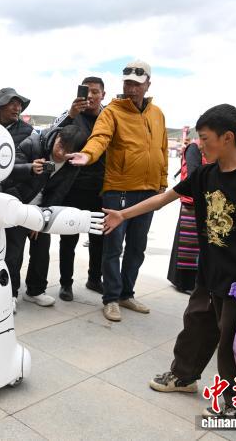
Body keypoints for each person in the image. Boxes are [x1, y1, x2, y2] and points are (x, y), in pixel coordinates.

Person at [103, 104, 236, 419]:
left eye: (205, 138)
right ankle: (184, 376)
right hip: (209, 272)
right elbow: (163, 198)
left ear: (227, 138)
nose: (199, 144)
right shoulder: (205, 174)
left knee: (234, 340)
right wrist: (122, 215)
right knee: (196, 324)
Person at [67, 60, 168, 322]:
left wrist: (162, 182)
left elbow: (162, 148)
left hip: (148, 192)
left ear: (148, 84)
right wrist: (88, 155)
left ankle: (126, 294)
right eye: (127, 83)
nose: (131, 89)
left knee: (137, 248)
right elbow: (100, 137)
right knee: (113, 248)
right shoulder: (112, 111)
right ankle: (111, 298)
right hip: (118, 190)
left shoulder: (157, 114)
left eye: (137, 84)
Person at [3, 125, 87, 309]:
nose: (61, 153)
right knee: (13, 253)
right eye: (60, 146)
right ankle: (9, 294)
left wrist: (42, 219)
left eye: (68, 151)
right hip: (17, 206)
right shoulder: (33, 144)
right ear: (57, 137)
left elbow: (60, 192)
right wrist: (29, 168)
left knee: (42, 250)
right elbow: (7, 172)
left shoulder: (73, 164)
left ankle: (35, 291)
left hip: (41, 210)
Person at [50, 77, 106, 298]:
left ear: (103, 95)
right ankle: (66, 283)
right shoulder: (72, 114)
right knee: (69, 238)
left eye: (95, 92)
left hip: (100, 189)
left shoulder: (109, 117)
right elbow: (51, 134)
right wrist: (71, 114)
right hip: (72, 188)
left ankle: (95, 279)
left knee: (99, 239)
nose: (90, 96)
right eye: (87, 91)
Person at [167, 138, 206, 294]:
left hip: (203, 201)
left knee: (195, 244)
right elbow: (193, 173)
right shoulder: (194, 148)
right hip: (193, 200)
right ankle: (184, 283)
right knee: (188, 244)